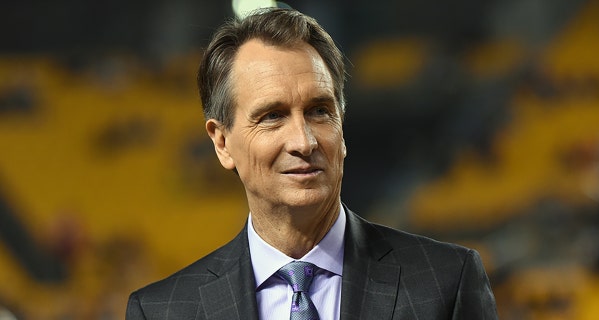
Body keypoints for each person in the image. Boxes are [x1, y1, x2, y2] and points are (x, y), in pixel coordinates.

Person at [126, 7, 498, 320]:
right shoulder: (161, 311)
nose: (303, 141)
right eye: (272, 116)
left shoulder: (447, 282)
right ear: (222, 143)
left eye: (320, 111)